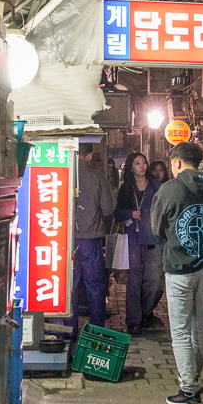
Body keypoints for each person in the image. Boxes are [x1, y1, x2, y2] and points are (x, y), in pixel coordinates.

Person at [151, 142, 203, 404]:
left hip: (179, 268)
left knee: (180, 332)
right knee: (199, 327)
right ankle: (194, 376)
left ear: (177, 163)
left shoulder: (170, 189)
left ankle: (189, 391)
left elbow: (156, 229)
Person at [114, 152, 163, 335]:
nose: (141, 166)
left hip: (154, 238)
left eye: (143, 162)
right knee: (134, 280)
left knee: (154, 280)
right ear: (131, 167)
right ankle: (134, 321)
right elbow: (117, 213)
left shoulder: (157, 187)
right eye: (137, 163)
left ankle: (146, 312)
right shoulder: (126, 188)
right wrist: (130, 214)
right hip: (133, 238)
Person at [69, 143, 115, 334]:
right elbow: (108, 208)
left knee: (68, 289)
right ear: (89, 156)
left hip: (65, 241)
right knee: (95, 286)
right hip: (91, 239)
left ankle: (67, 334)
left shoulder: (62, 175)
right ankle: (96, 333)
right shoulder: (98, 178)